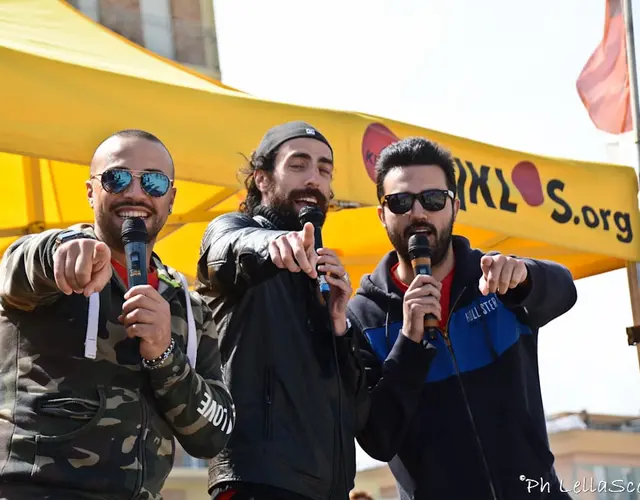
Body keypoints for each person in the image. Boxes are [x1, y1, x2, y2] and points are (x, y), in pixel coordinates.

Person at [0, 129, 235, 500]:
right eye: (117, 177)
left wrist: (164, 354)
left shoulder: (189, 308)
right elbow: (15, 269)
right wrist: (61, 247)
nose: (136, 193)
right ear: (92, 190)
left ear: (171, 198)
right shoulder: (54, 264)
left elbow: (212, 435)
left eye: (154, 182)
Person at [347, 137, 577, 500]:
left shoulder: (494, 280)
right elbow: (377, 438)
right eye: (401, 201)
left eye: (434, 199)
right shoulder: (362, 318)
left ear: (454, 207)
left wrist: (526, 277)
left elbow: (565, 289)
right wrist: (408, 343)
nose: (418, 213)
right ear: (382, 214)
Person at [196, 121, 370, 500]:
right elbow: (226, 249)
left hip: (331, 489)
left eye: (324, 170)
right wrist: (272, 244)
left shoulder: (324, 275)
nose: (314, 179)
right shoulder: (236, 231)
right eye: (298, 165)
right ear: (262, 179)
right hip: (257, 482)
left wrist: (340, 326)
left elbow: (357, 414)